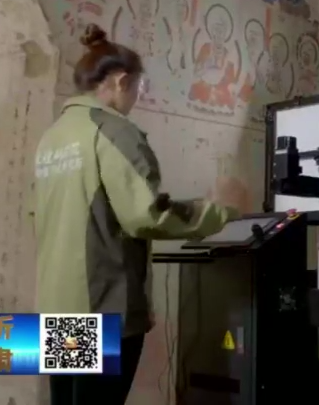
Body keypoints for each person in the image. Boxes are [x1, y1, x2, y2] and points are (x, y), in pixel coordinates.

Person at [34, 24, 240, 404]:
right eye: (139, 88)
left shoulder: (54, 136)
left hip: (60, 304)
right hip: (103, 305)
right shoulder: (112, 131)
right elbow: (146, 214)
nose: (136, 98)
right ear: (121, 81)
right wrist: (218, 211)